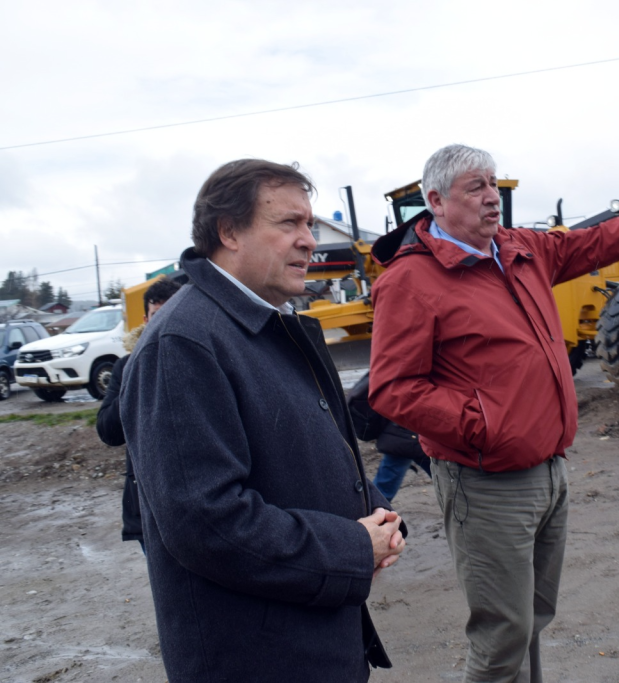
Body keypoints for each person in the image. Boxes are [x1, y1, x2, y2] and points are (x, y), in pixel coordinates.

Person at [369, 144, 619, 682]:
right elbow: (393, 388)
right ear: (436, 200)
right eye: (475, 187)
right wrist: (483, 425)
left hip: (549, 471)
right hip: (486, 481)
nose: (492, 197)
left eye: (493, 184)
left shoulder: (521, 250)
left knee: (530, 621)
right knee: (502, 637)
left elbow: (603, 240)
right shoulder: (411, 282)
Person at [119, 159, 406, 682]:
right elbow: (207, 522)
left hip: (316, 643)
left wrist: (377, 514)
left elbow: (303, 456)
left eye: (310, 225)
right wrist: (350, 546)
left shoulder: (265, 327)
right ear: (228, 231)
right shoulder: (185, 344)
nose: (308, 241)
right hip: (258, 658)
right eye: (288, 224)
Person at [95, 277, 182, 553]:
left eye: (172, 315)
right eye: (158, 316)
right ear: (146, 319)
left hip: (197, 500)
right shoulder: (126, 367)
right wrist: (139, 372)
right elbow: (108, 432)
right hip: (147, 506)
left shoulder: (203, 360)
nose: (164, 325)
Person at [347, 371, 431, 502]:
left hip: (402, 431)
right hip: (406, 432)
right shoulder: (412, 365)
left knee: (387, 481)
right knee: (446, 478)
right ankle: (371, 510)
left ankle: (371, 508)